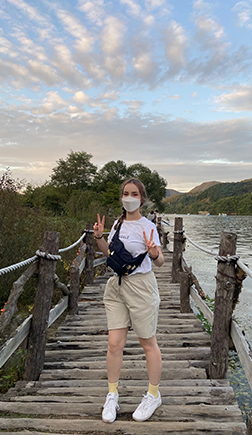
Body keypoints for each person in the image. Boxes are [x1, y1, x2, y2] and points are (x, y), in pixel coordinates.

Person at [93, 178, 164, 424]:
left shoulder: (148, 226)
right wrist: (100, 238)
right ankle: (112, 394)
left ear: (142, 199)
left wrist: (154, 252)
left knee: (148, 343)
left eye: (134, 193)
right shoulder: (117, 223)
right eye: (125, 193)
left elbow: (160, 260)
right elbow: (108, 253)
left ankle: (153, 395)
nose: (129, 197)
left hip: (141, 287)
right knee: (114, 343)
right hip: (116, 286)